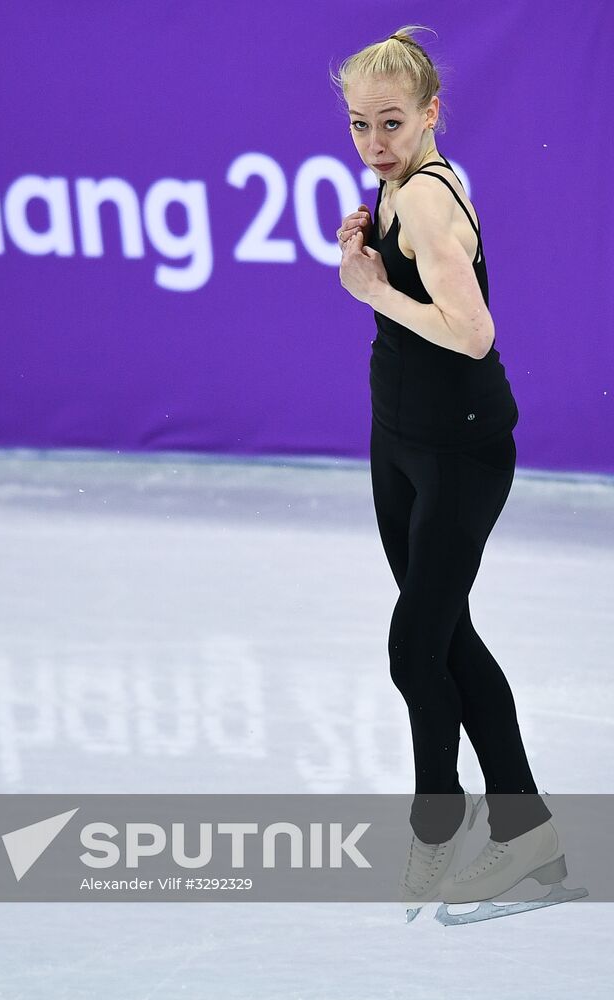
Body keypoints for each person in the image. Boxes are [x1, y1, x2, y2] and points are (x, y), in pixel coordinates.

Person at [330, 25, 561, 906]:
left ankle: (439, 826)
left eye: (391, 123)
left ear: (431, 114)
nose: (374, 144)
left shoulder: (425, 197)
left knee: (413, 647)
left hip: (459, 450)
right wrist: (370, 260)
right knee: (446, 638)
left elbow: (472, 334)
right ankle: (527, 837)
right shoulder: (392, 190)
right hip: (401, 440)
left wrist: (374, 290)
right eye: (358, 125)